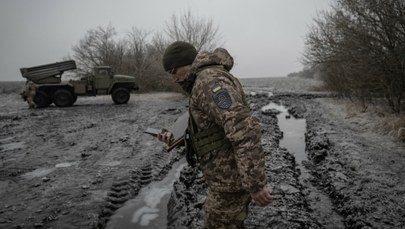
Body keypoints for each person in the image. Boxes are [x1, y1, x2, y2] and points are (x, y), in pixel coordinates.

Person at [158, 41, 272, 228]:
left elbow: (244, 129)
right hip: (225, 180)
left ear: (186, 64)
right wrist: (176, 137)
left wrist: (255, 184)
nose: (172, 78)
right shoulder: (203, 81)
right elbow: (211, 128)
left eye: (173, 71)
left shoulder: (209, 82)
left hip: (230, 183)